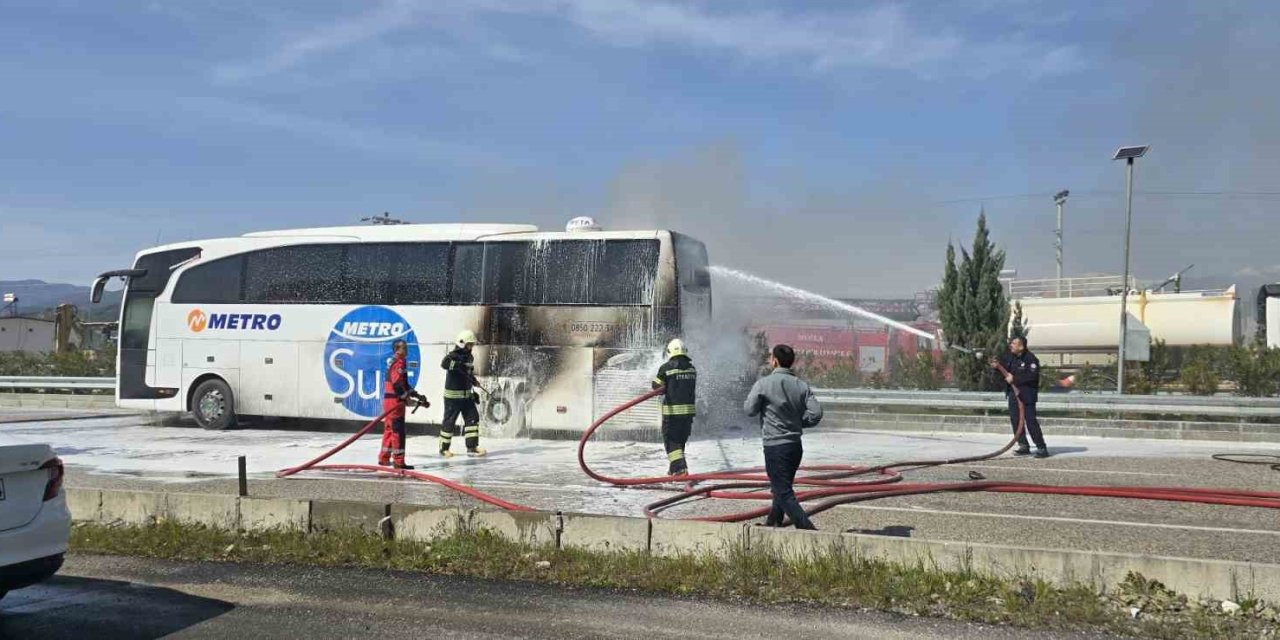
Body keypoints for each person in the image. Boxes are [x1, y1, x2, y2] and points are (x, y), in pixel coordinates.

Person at [743, 344, 823, 530]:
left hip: (775, 446)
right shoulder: (801, 385)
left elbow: (749, 410)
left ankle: (809, 531)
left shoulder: (763, 384)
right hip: (795, 446)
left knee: (783, 491)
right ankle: (773, 522)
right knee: (780, 487)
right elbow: (816, 413)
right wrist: (799, 423)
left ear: (775, 361)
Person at [993, 335, 1050, 458]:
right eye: (1011, 343)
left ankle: (1041, 447)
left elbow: (1032, 377)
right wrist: (995, 366)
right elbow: (1001, 368)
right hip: (1014, 394)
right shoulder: (1010, 358)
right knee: (1015, 420)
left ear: (1021, 346)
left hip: (1027, 395)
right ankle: (1023, 445)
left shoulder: (1031, 359)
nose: (1011, 345)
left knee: (1030, 421)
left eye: (1014, 343)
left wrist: (1015, 379)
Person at [379, 339, 428, 469]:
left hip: (389, 401)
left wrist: (416, 395)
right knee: (398, 432)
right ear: (397, 350)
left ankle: (383, 458)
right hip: (395, 402)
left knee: (389, 430)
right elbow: (397, 384)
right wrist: (405, 398)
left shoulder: (395, 362)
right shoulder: (399, 363)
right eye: (403, 348)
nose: (406, 350)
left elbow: (404, 384)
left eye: (406, 347)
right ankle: (399, 462)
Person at [653, 338, 697, 476]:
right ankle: (674, 469)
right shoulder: (692, 368)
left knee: (671, 441)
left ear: (670, 352)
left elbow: (655, 386)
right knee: (680, 441)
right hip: (688, 414)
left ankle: (680, 468)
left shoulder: (666, 368)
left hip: (672, 414)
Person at [440, 329, 486, 458]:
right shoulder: (453, 356)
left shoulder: (470, 357)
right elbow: (444, 364)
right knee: (449, 422)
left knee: (473, 418)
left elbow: (468, 374)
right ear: (462, 343)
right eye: (469, 344)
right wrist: (457, 364)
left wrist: (474, 382)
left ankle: (472, 447)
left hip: (466, 396)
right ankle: (444, 449)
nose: (471, 347)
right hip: (453, 397)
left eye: (472, 344)